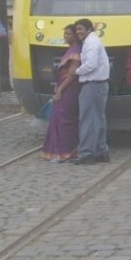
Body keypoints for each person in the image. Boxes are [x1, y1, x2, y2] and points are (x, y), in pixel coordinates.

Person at [70, 18, 111, 165]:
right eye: (77, 29)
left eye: (81, 29)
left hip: (92, 85)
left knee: (87, 120)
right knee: (98, 119)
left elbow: (91, 64)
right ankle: (101, 151)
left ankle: (87, 153)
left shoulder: (91, 43)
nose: (78, 32)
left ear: (89, 29)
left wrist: (77, 71)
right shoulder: (93, 41)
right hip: (99, 85)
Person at [41, 25, 83, 163]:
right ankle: (58, 150)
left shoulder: (76, 51)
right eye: (64, 34)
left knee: (66, 119)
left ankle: (66, 151)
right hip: (64, 88)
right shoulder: (71, 50)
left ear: (75, 36)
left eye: (69, 34)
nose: (66, 36)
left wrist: (60, 89)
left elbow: (72, 75)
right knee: (59, 118)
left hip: (69, 89)